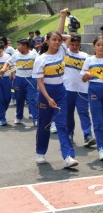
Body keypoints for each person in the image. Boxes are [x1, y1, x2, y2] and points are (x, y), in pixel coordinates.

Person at [33, 26, 79, 168]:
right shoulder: (40, 59)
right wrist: (47, 98)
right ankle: (40, 152)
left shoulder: (61, 51)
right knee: (44, 125)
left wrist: (62, 17)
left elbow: (69, 37)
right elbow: (40, 82)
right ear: (46, 41)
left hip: (61, 92)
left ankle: (67, 157)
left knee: (62, 125)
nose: (57, 42)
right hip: (45, 93)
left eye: (59, 40)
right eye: (54, 40)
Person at [63, 33, 96, 147]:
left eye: (77, 45)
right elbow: (57, 35)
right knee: (68, 114)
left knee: (84, 113)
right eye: (72, 44)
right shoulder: (64, 52)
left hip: (82, 90)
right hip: (67, 89)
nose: (74, 47)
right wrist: (68, 37)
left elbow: (91, 70)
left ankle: (87, 135)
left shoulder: (85, 56)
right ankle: (69, 133)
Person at [0, 38, 38, 126]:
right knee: (19, 99)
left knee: (32, 99)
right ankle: (18, 116)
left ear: (25, 46)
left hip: (31, 79)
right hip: (19, 79)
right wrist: (4, 68)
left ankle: (36, 119)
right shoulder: (16, 55)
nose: (17, 47)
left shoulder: (34, 55)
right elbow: (8, 62)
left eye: (19, 45)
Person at [0, 41, 12, 126]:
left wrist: (12, 77)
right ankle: (2, 118)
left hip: (6, 79)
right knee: (0, 99)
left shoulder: (7, 57)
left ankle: (2, 113)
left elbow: (13, 67)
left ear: (3, 49)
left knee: (7, 99)